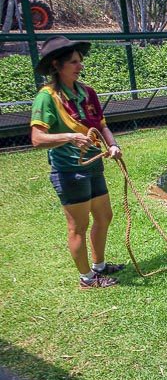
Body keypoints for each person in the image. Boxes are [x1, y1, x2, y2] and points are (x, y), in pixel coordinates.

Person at [30, 36, 125, 289]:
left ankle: (100, 266)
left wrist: (113, 145)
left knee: (104, 216)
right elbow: (37, 138)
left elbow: (102, 125)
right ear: (56, 65)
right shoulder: (47, 97)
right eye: (73, 62)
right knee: (78, 226)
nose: (79, 66)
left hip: (94, 167)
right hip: (70, 172)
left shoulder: (87, 92)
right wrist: (69, 137)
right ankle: (86, 278)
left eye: (80, 61)